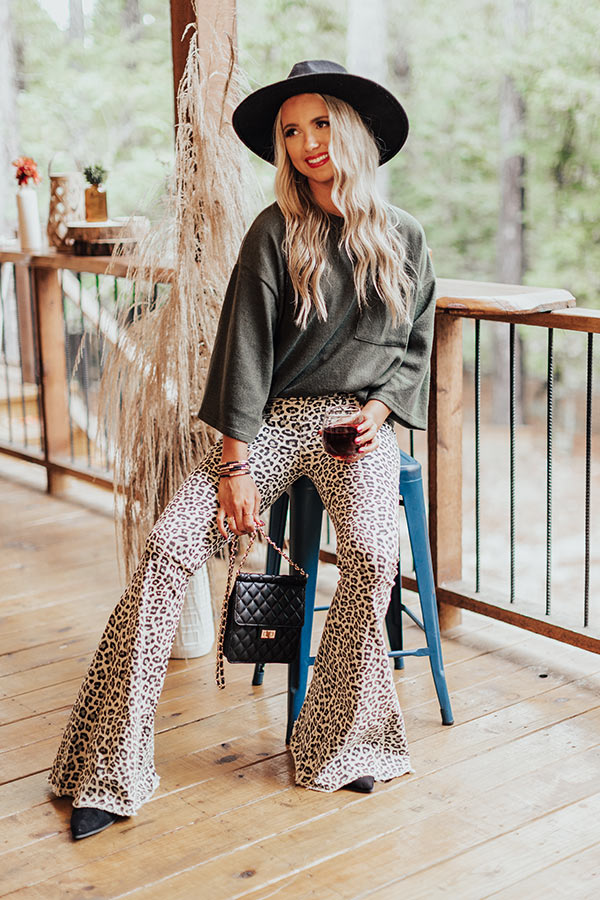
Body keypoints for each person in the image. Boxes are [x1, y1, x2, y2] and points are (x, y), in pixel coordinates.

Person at [49, 59, 436, 841]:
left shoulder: (403, 235)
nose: (306, 142)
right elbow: (245, 354)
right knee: (169, 546)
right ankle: (107, 765)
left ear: (352, 129)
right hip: (269, 422)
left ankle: (340, 740)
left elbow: (415, 342)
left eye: (320, 123)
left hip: (355, 426)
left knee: (372, 554)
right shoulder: (274, 231)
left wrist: (380, 410)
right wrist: (232, 466)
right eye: (291, 132)